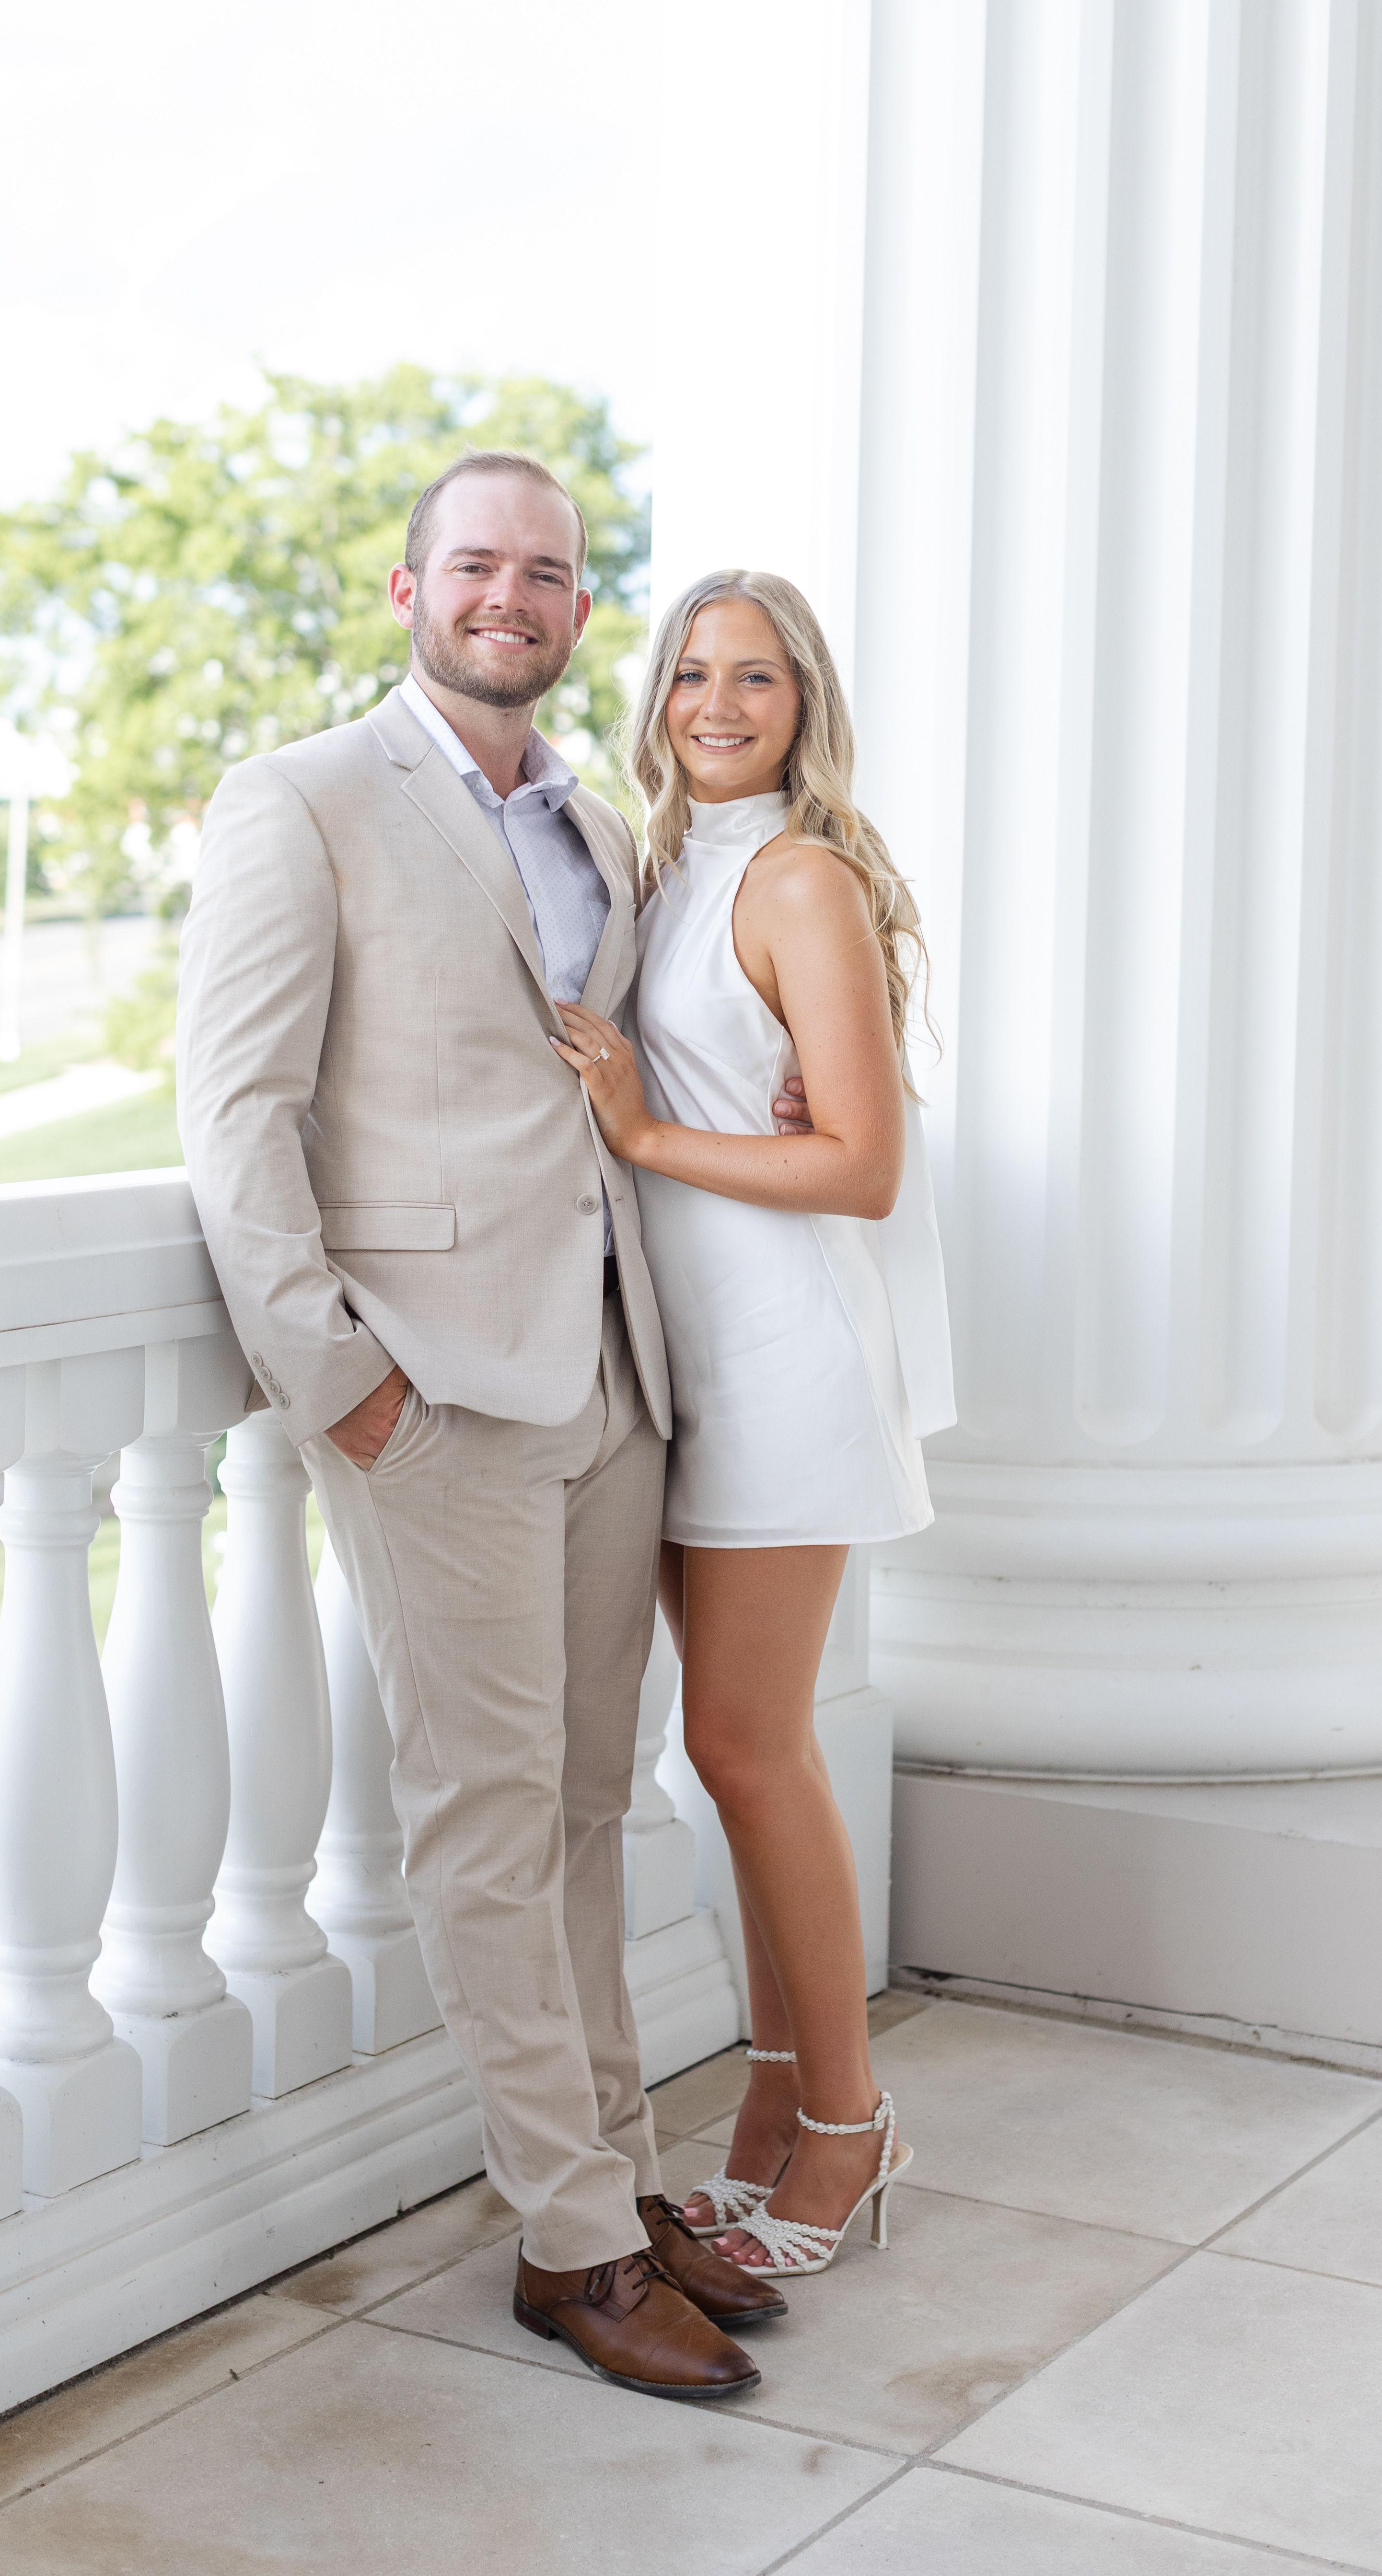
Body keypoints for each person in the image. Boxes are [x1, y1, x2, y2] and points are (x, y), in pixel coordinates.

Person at [178, 453, 809, 2401]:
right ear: (410, 590)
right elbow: (235, 1117)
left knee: (591, 1803)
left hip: (612, 1379)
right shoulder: (301, 801)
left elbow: (630, 1073)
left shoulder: (602, 825)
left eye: (545, 573)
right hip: (432, 1392)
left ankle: (616, 2178)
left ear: (577, 611)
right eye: (475, 566)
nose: (508, 597)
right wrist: (341, 1380)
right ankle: (572, 2242)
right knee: (484, 1812)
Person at [546, 567, 952, 2280]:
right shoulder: (664, 872)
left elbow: (860, 1166)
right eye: (693, 674)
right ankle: (777, 2106)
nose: (718, 704)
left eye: (758, 678)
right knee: (737, 1756)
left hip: (786, 1358)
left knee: (743, 1746)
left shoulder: (798, 878)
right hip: (683, 1361)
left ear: (806, 707)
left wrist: (648, 1134)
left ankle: (850, 2128)